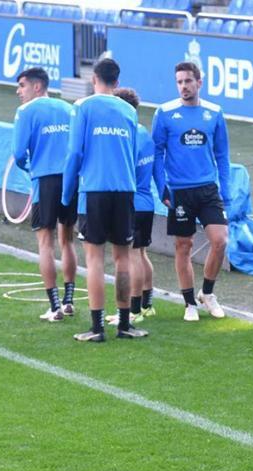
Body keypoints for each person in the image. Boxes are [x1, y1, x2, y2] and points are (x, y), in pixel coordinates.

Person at [61, 57, 148, 342]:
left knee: (95, 258)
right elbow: (133, 153)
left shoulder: (82, 107)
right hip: (125, 190)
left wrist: (66, 193)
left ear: (93, 79)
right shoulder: (129, 111)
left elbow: (75, 153)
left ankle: (97, 328)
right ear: (117, 82)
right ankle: (124, 324)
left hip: (95, 190)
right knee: (123, 258)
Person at [151, 61, 231, 322]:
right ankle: (189, 304)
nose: (183, 86)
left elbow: (222, 154)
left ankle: (207, 293)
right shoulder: (164, 113)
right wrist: (162, 185)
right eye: (179, 82)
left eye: (188, 81)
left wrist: (226, 190)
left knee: (220, 241)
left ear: (199, 82)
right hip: (179, 191)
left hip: (208, 189)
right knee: (183, 246)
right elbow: (157, 153)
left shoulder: (215, 113)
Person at [12, 66, 77, 321]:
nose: (19, 92)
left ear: (37, 86)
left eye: (22, 86)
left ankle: (54, 307)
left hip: (45, 179)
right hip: (71, 179)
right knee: (68, 239)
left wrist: (30, 167)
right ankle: (69, 300)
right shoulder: (69, 108)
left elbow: (18, 154)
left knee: (45, 242)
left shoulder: (26, 111)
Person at [108, 87, 157, 325]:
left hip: (132, 202)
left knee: (132, 255)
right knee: (143, 253)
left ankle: (133, 310)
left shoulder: (126, 136)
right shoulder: (144, 133)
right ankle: (147, 305)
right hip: (147, 203)